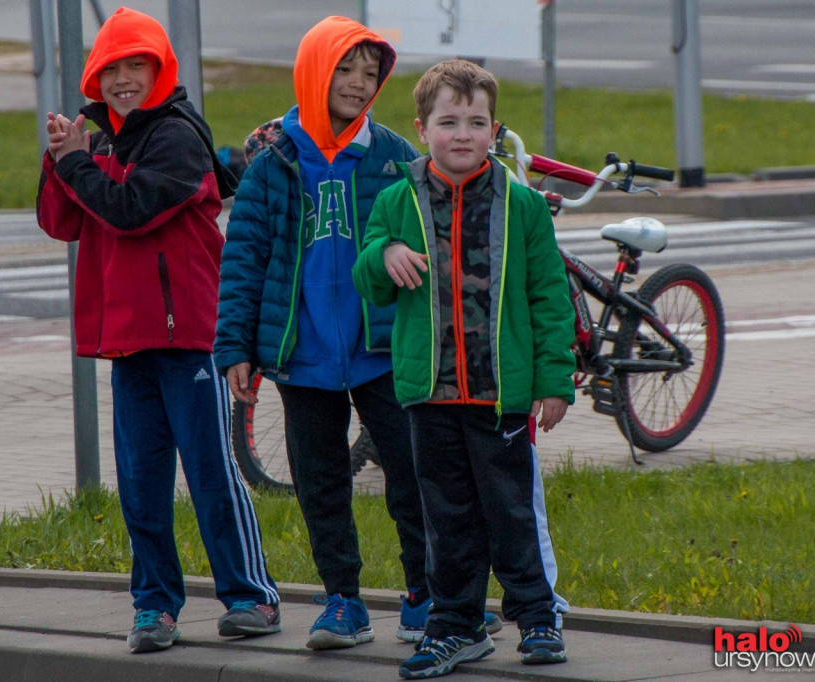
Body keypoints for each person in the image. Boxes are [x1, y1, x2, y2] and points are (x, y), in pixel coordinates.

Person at [215, 15, 491, 650]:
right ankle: (343, 601)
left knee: (412, 473)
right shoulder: (272, 159)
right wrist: (235, 346)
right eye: (346, 70)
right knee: (321, 483)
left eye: (371, 74)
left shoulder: (396, 156)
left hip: (385, 352)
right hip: (301, 355)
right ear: (315, 70)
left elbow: (435, 238)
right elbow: (244, 259)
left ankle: (425, 595)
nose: (360, 84)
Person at [36, 6, 280, 654]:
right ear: (95, 75)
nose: (122, 79)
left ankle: (251, 596)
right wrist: (59, 158)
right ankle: (154, 608)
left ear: (159, 68)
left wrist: (79, 164)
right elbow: (62, 222)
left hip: (189, 334)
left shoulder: (175, 134)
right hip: (127, 337)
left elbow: (131, 208)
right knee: (141, 482)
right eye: (110, 68)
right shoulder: (95, 135)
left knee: (210, 472)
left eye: (134, 65)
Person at [352, 59, 576, 678]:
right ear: (421, 128)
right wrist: (385, 253)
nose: (462, 134)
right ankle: (455, 626)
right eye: (448, 121)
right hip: (429, 394)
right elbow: (366, 279)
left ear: (494, 130)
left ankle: (536, 617)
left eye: (476, 122)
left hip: (499, 396)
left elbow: (549, 298)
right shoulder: (397, 201)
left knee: (510, 512)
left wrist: (554, 383)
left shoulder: (523, 205)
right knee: (446, 516)